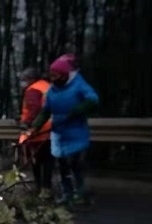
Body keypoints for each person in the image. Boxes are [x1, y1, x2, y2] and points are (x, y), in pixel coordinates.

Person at [26, 56, 99, 208]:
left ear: (65, 74)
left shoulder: (78, 85)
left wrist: (76, 111)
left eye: (56, 75)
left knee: (75, 163)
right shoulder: (52, 91)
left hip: (76, 131)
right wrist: (35, 128)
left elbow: (92, 100)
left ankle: (80, 191)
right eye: (52, 75)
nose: (53, 79)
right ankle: (67, 193)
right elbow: (45, 112)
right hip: (59, 133)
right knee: (63, 164)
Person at [18, 67, 54, 199]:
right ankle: (46, 188)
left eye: (24, 79)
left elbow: (34, 109)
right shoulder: (47, 86)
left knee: (37, 161)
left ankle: (39, 187)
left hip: (38, 130)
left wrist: (26, 123)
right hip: (51, 129)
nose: (23, 82)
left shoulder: (32, 90)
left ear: (31, 79)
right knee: (48, 161)